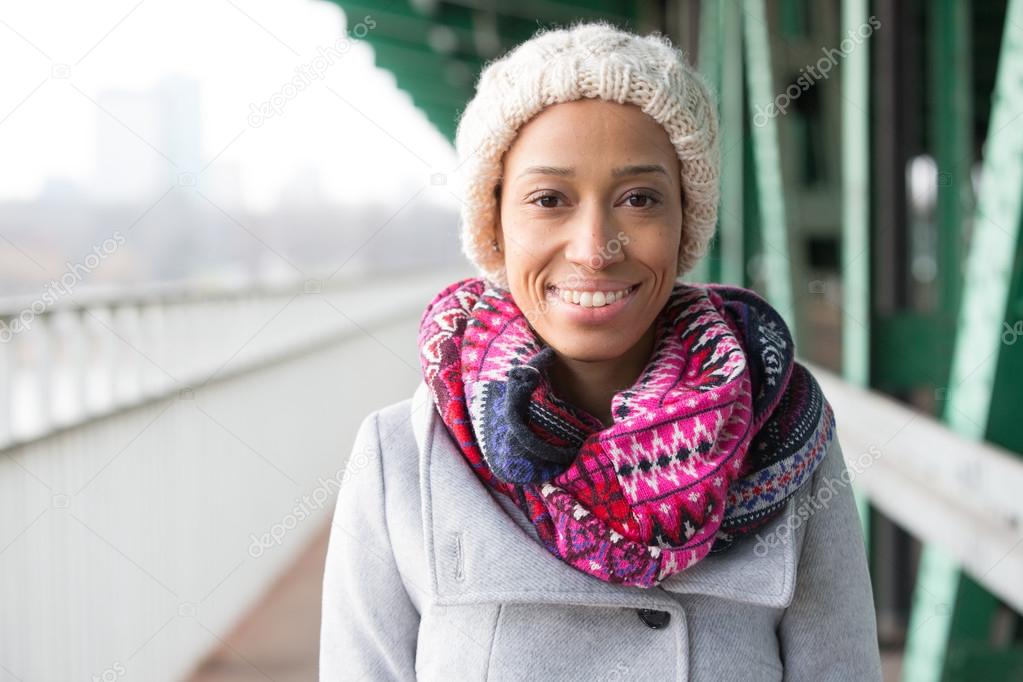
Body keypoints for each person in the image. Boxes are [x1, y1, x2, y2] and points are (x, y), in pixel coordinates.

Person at [320, 19, 882, 681]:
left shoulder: (784, 439)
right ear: (493, 225)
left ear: (684, 222)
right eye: (548, 199)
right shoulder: (400, 458)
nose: (594, 247)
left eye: (639, 199)